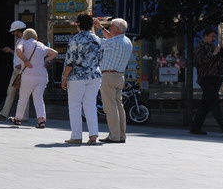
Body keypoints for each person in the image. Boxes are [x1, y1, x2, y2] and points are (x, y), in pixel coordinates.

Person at [61, 13, 103, 144]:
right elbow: (100, 58)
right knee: (90, 104)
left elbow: (70, 61)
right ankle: (93, 135)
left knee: (75, 106)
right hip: (95, 75)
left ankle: (77, 136)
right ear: (91, 25)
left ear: (78, 24)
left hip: (77, 76)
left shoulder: (75, 39)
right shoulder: (97, 39)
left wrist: (64, 77)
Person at [94, 17, 134, 143]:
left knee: (110, 107)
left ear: (116, 29)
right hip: (120, 76)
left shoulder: (113, 42)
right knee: (119, 106)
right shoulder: (127, 41)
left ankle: (114, 136)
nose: (109, 28)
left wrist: (92, 29)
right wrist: (100, 27)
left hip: (108, 76)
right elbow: (111, 37)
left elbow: (96, 42)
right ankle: (122, 135)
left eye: (111, 26)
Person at [10, 29, 58, 128]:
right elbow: (55, 53)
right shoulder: (41, 45)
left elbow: (18, 50)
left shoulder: (24, 42)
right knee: (39, 99)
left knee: (23, 97)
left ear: (25, 36)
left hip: (28, 75)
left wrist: (26, 61)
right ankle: (41, 121)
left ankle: (18, 119)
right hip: (42, 76)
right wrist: (45, 60)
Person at [190, 28, 223, 136]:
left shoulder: (213, 47)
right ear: (205, 36)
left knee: (205, 105)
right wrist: (213, 53)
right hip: (206, 79)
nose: (214, 39)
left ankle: (195, 128)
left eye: (214, 37)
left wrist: (222, 53)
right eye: (212, 36)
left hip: (216, 79)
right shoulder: (199, 48)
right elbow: (200, 61)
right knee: (214, 103)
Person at [0, 21, 27, 121]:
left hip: (21, 70)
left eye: (14, 31)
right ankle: (6, 114)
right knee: (13, 92)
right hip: (18, 70)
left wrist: (21, 65)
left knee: (20, 92)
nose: (12, 33)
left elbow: (27, 55)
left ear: (18, 30)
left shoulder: (24, 41)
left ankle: (8, 114)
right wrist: (11, 51)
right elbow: (19, 55)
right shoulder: (20, 41)